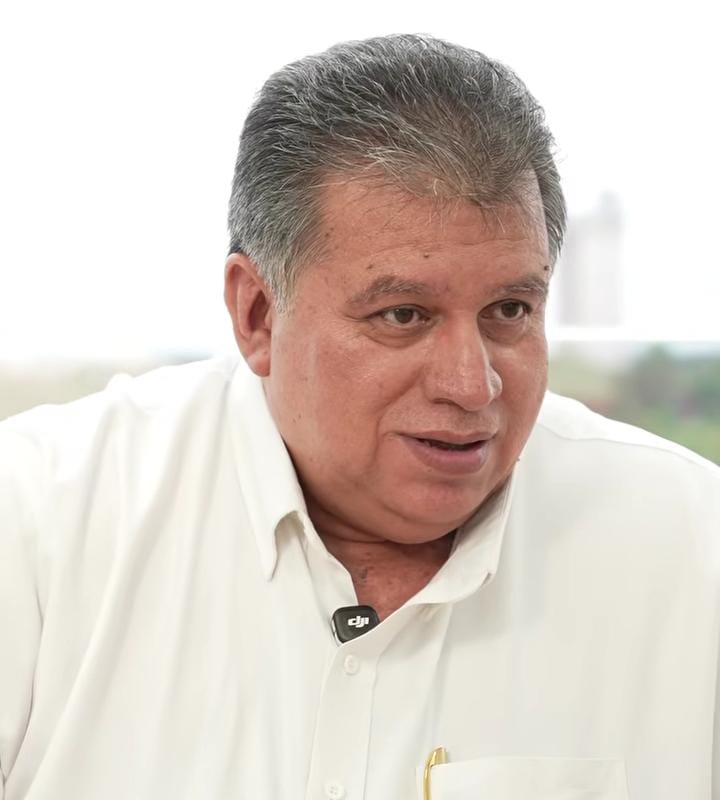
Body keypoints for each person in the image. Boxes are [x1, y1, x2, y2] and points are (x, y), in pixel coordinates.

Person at [1, 34, 718, 800]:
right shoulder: (39, 525)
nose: (471, 385)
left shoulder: (693, 548)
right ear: (257, 313)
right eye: (403, 315)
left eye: (510, 309)